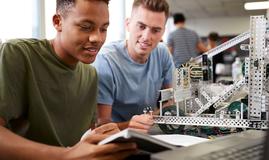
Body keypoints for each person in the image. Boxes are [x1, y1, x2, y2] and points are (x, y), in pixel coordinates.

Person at [0, 0, 137, 159]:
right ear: (58, 22)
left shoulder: (90, 74)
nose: (97, 38)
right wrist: (66, 155)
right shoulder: (17, 54)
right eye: (86, 27)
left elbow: (84, 139)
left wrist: (103, 137)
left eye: (103, 29)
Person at [92, 0, 174, 133]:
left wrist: (149, 119)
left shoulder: (162, 53)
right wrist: (131, 125)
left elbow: (171, 102)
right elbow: (102, 127)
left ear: (163, 32)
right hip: (116, 139)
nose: (146, 37)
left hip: (150, 132)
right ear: (128, 24)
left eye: (155, 30)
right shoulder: (106, 61)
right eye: (141, 26)